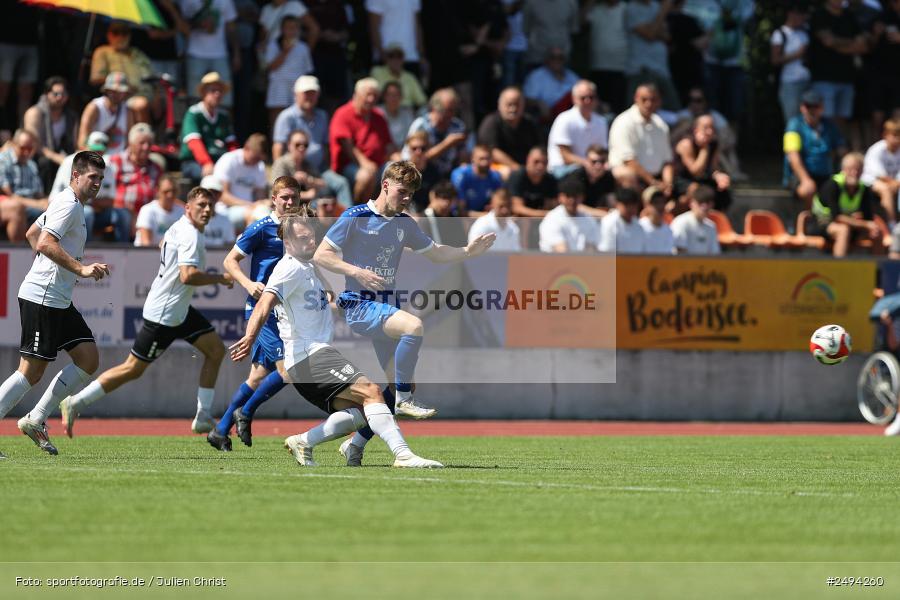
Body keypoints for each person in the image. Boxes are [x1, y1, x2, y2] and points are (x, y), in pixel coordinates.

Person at [314, 161, 495, 465]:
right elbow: (322, 255)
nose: (407, 197)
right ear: (385, 185)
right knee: (413, 327)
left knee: (395, 385)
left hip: (386, 306)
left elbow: (436, 252)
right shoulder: (355, 217)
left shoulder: (405, 223)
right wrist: (357, 271)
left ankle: (353, 443)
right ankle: (405, 401)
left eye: (411, 193)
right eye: (402, 191)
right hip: (359, 304)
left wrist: (467, 251)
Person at [231, 213, 442, 467]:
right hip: (309, 355)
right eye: (303, 238)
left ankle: (304, 441)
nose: (311, 242)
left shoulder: (307, 268)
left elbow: (318, 305)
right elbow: (264, 303)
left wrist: (343, 304)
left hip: (308, 359)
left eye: (312, 237)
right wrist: (249, 336)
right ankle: (403, 455)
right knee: (373, 392)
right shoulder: (288, 268)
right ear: (287, 243)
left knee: (363, 413)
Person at [60, 187, 235, 438]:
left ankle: (203, 415)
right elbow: (187, 276)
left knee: (216, 350)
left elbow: (164, 244)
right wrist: (220, 278)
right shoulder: (191, 235)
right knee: (133, 368)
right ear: (187, 208)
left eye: (210, 206)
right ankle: (75, 402)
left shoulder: (180, 226)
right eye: (201, 205)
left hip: (179, 309)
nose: (207, 210)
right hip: (165, 313)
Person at [0, 152, 109, 457]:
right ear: (76, 175)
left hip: (58, 298)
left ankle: (36, 419)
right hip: (43, 297)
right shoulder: (69, 204)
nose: (97, 183)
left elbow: (32, 234)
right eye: (92, 177)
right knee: (31, 372)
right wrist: (80, 269)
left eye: (101, 178)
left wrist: (52, 270)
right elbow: (45, 242)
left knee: (88, 358)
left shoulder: (69, 202)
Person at [208, 176, 302, 450]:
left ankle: (221, 429)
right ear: (273, 199)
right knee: (291, 370)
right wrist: (248, 284)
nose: (289, 202)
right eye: (284, 197)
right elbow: (230, 260)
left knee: (258, 376)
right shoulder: (261, 228)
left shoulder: (300, 228)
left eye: (293, 198)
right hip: (263, 311)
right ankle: (246, 412)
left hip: (286, 310)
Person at [329, 78, 395, 203]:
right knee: (366, 175)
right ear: (356, 95)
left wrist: (399, 158)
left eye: (374, 96)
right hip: (349, 165)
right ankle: (360, 210)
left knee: (398, 171)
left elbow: (389, 144)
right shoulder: (343, 113)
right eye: (368, 95)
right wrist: (364, 163)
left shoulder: (378, 116)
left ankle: (390, 211)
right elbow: (347, 146)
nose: (371, 99)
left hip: (378, 164)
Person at [811, 152, 883, 258]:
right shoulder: (832, 186)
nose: (854, 173)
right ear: (843, 170)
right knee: (843, 230)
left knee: (877, 232)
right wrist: (864, 224)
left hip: (851, 224)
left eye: (858, 169)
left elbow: (868, 217)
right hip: (823, 223)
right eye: (850, 169)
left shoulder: (864, 189)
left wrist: (867, 224)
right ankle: (840, 269)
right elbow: (837, 217)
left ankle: (879, 270)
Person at [783, 90, 847, 208]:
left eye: (816, 106)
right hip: (799, 176)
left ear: (822, 108)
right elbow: (793, 156)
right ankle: (811, 221)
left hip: (825, 175)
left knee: (841, 188)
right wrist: (805, 179)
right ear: (802, 107)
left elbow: (842, 150)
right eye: (808, 106)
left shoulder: (830, 126)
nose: (812, 110)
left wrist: (847, 171)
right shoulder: (793, 126)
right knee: (808, 190)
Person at [608, 84, 674, 193]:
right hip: (635, 178)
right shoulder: (623, 122)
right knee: (627, 175)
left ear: (659, 101)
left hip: (656, 178)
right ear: (636, 99)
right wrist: (653, 182)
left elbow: (667, 161)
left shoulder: (661, 124)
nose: (649, 104)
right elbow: (629, 161)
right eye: (644, 99)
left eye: (653, 100)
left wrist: (668, 184)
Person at [178, 72, 238, 182]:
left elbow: (232, 146)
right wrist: (206, 162)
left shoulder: (224, 116)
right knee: (212, 179)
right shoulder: (193, 113)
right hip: (194, 162)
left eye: (220, 91)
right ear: (203, 93)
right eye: (213, 90)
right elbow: (194, 142)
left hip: (219, 162)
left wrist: (237, 164)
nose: (217, 94)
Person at [89, 21, 154, 123]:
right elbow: (96, 79)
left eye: (124, 33)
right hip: (121, 95)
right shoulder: (103, 52)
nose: (120, 36)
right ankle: (143, 137)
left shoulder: (137, 53)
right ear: (108, 35)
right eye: (116, 32)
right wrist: (123, 86)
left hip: (147, 93)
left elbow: (151, 76)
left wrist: (158, 93)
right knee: (141, 104)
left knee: (167, 101)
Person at [180, 0, 240, 107]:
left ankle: (225, 123)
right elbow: (182, 27)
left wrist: (236, 54)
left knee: (225, 99)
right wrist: (198, 24)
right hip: (195, 54)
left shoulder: (225, 1)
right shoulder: (187, 2)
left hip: (220, 54)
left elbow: (232, 29)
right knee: (195, 98)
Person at [23, 77, 79, 192]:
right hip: (35, 155)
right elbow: (33, 143)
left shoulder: (71, 117)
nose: (60, 97)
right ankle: (43, 196)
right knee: (46, 163)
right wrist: (57, 158)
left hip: (60, 154)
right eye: (56, 94)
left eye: (63, 94)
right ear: (47, 94)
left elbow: (74, 143)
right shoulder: (34, 113)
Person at [272, 129, 352, 207]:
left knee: (327, 200)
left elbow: (323, 184)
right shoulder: (281, 163)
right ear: (289, 145)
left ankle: (348, 217)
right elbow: (278, 191)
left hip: (306, 204)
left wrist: (309, 180)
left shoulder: (307, 164)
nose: (301, 148)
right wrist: (306, 194)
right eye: (297, 145)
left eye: (305, 145)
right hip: (286, 206)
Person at [624, 0, 680, 111]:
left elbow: (667, 36)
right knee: (642, 111)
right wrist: (664, 10)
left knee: (673, 111)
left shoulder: (655, 6)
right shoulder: (631, 8)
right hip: (642, 70)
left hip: (662, 70)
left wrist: (653, 28)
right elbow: (650, 35)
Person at [547, 80, 608, 177]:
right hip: (561, 169)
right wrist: (587, 164)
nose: (587, 101)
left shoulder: (601, 122)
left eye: (591, 97)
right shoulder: (564, 119)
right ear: (574, 99)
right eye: (583, 98)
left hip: (589, 168)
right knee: (581, 173)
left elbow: (601, 152)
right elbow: (565, 156)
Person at [403, 87, 467, 179]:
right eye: (448, 110)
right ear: (435, 108)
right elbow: (411, 159)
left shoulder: (458, 126)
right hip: (423, 175)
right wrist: (446, 144)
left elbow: (463, 156)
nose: (451, 114)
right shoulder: (421, 125)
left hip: (450, 174)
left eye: (454, 110)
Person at [476, 86, 540, 176]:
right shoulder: (491, 123)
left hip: (525, 167)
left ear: (523, 105)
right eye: (509, 104)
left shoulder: (529, 123)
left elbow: (537, 148)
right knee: (507, 172)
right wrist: (516, 167)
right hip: (496, 167)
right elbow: (492, 151)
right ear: (499, 104)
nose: (513, 109)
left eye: (517, 104)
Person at [674, 114, 732, 212]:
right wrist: (704, 149)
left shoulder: (714, 144)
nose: (710, 132)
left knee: (722, 190)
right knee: (696, 190)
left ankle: (715, 220)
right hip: (683, 180)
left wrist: (719, 176)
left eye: (712, 128)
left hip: (703, 179)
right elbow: (696, 172)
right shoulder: (686, 144)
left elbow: (714, 168)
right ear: (696, 130)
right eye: (706, 128)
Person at [264, 15, 314, 128]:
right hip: (278, 88)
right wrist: (285, 51)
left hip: (298, 91)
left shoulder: (303, 47)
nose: (292, 31)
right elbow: (271, 67)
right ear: (282, 29)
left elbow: (308, 71)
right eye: (289, 28)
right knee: (276, 124)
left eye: (295, 28)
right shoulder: (274, 45)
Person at [105, 122, 163, 219]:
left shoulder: (156, 168)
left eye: (149, 143)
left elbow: (160, 195)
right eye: (142, 143)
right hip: (121, 215)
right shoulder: (115, 162)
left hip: (149, 218)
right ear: (130, 144)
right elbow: (105, 194)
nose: (146, 147)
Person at [0, 129, 49, 238]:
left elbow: (39, 194)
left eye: (30, 149)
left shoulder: (31, 164)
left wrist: (49, 202)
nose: (26, 152)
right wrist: (38, 204)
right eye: (22, 148)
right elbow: (9, 195)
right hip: (16, 204)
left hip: (33, 205)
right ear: (13, 144)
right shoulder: (3, 160)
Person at [212, 133, 268, 229]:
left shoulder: (259, 166)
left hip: (251, 209)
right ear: (246, 148)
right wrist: (250, 205)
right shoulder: (229, 160)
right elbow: (222, 196)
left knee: (267, 214)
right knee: (254, 216)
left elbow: (260, 195)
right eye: (255, 157)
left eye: (259, 159)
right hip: (225, 211)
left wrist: (263, 203)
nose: (257, 161)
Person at [770, 3, 811, 124]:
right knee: (793, 122)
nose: (803, 18)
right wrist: (797, 55)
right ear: (791, 14)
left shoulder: (804, 33)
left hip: (807, 81)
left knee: (808, 121)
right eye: (800, 15)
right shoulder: (779, 34)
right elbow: (775, 60)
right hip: (789, 83)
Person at [78, 72, 135, 155]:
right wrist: (94, 158)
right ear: (106, 90)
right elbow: (82, 141)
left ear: (125, 93)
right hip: (97, 158)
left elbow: (130, 140)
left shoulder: (127, 110)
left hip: (119, 161)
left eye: (120, 92)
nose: (116, 94)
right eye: (113, 91)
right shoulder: (94, 107)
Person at [538, 176, 600, 253]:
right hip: (553, 263)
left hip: (582, 262)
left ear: (582, 197)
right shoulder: (552, 219)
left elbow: (592, 249)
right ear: (560, 197)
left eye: (575, 196)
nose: (572, 200)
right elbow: (562, 251)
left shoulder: (589, 219)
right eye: (568, 196)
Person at [366, 0, 428, 75]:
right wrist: (385, 57)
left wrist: (422, 56)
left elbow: (417, 25)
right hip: (388, 59)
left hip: (412, 58)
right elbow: (373, 28)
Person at [522, 47, 579, 121]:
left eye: (560, 58)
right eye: (553, 57)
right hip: (549, 117)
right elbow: (527, 99)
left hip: (571, 117)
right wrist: (538, 103)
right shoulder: (536, 76)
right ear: (546, 59)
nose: (557, 60)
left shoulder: (572, 76)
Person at [862, 118, 900, 224]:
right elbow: (881, 176)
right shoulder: (876, 150)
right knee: (885, 189)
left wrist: (896, 184)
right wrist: (895, 184)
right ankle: (892, 224)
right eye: (895, 135)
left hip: (893, 183)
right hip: (870, 182)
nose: (898, 140)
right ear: (885, 135)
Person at [370, 43, 427, 110]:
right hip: (384, 111)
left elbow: (422, 101)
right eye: (391, 56)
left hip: (407, 112)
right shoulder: (376, 72)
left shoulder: (410, 77)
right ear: (386, 58)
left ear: (403, 59)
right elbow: (374, 96)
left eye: (399, 56)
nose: (395, 59)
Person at [450, 144, 503, 214]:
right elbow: (460, 211)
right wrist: (484, 216)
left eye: (488, 158)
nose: (485, 162)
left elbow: (500, 204)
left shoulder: (495, 177)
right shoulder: (461, 175)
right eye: (481, 159)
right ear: (472, 159)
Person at [134, 174, 184, 247]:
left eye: (174, 191)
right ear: (158, 191)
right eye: (166, 191)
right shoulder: (148, 210)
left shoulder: (181, 211)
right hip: (147, 255)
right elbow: (146, 243)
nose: (170, 195)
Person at [670, 184, 721, 255]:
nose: (704, 207)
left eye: (708, 202)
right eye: (700, 202)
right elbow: (680, 253)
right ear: (692, 203)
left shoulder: (711, 226)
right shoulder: (681, 222)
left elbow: (714, 254)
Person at [418, 180, 469, 246]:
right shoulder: (425, 219)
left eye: (450, 199)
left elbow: (461, 243)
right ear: (434, 197)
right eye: (443, 198)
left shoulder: (455, 219)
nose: (446, 203)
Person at [598, 187, 646, 254]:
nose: (630, 208)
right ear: (617, 204)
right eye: (627, 205)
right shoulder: (609, 222)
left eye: (633, 205)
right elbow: (606, 251)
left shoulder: (639, 226)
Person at [575, 144, 615, 215]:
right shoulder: (577, 177)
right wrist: (602, 214)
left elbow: (611, 203)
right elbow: (574, 205)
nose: (598, 166)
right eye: (594, 162)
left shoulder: (608, 177)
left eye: (602, 161)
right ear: (586, 161)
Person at [198, 175, 237, 247]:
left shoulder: (226, 220)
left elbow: (229, 246)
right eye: (208, 192)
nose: (212, 196)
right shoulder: (191, 220)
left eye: (216, 192)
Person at [639, 185, 675, 254]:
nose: (660, 206)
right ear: (645, 204)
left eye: (662, 202)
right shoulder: (639, 228)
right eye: (655, 202)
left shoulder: (668, 230)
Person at [379, 81, 416, 149]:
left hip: (405, 150)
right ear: (384, 97)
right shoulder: (378, 113)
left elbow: (412, 136)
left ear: (401, 97)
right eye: (390, 95)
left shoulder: (407, 113)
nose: (393, 98)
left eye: (396, 95)